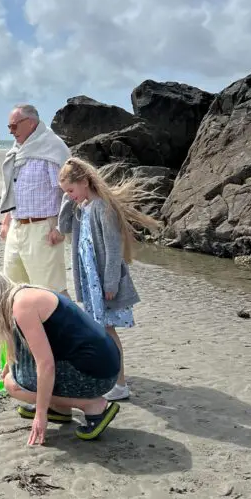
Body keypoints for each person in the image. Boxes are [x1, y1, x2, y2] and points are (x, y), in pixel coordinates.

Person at [0, 270, 121, 445]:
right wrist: (8, 369)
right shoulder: (25, 293)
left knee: (12, 385)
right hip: (105, 363)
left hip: (98, 375)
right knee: (14, 376)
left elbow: (46, 364)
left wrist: (40, 413)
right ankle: (60, 408)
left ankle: (91, 405)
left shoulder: (22, 307)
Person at [57, 157, 159, 402]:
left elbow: (114, 249)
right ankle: (111, 380)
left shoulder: (103, 208)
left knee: (108, 331)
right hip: (90, 279)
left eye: (70, 190)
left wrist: (111, 283)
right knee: (101, 331)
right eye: (65, 193)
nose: (69, 195)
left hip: (103, 282)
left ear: (83, 182)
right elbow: (63, 227)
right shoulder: (81, 207)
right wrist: (66, 201)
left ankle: (120, 384)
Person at [0, 104, 71, 294]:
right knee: (14, 288)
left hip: (43, 229)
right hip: (17, 226)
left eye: (14, 126)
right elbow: (12, 188)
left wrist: (61, 227)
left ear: (30, 123)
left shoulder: (52, 147)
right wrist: (7, 221)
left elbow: (68, 192)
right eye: (9, 127)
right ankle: (22, 324)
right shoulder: (17, 150)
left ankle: (66, 324)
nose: (11, 132)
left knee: (51, 291)